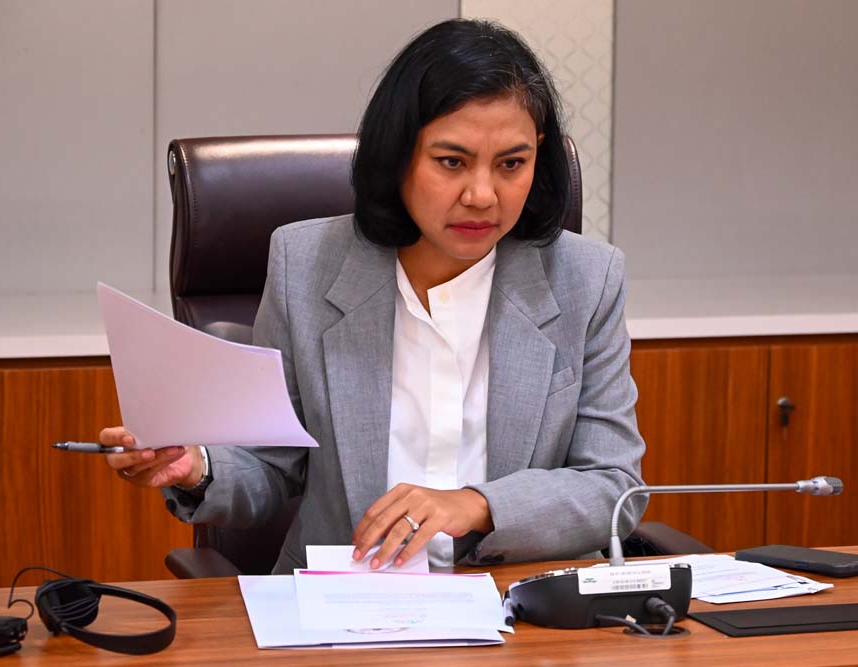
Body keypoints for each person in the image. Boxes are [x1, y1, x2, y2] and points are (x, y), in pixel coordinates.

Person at [101, 18, 647, 572]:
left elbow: (614, 486)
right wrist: (194, 466)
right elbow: (271, 461)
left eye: (512, 163)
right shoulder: (304, 266)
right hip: (348, 597)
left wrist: (477, 504)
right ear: (397, 155)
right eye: (451, 162)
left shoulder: (586, 279)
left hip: (521, 601)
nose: (483, 195)